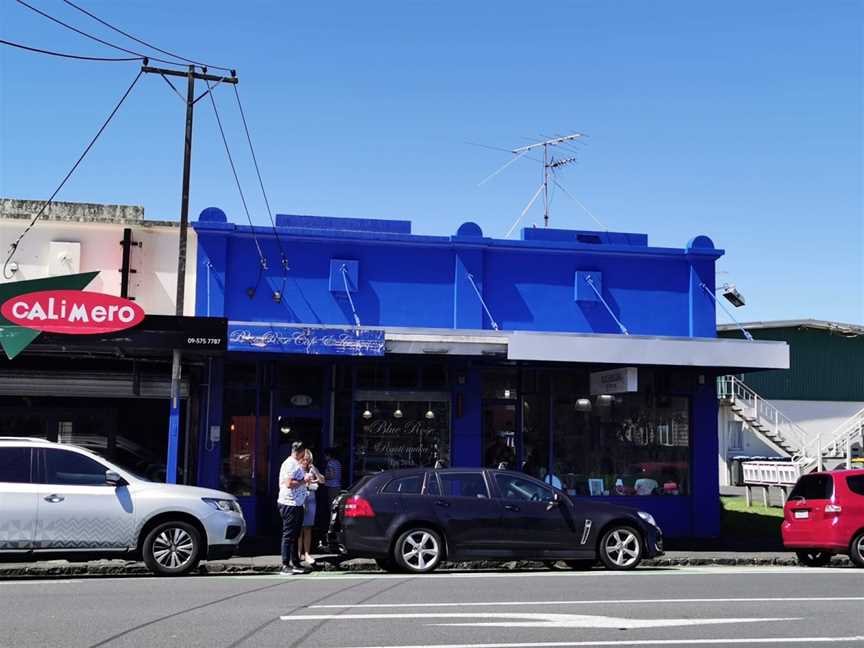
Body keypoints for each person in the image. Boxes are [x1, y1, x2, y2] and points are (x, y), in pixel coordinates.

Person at [277, 440, 312, 575]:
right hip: (289, 503)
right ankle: (285, 564)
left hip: (297, 503)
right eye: (303, 453)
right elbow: (289, 483)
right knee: (288, 535)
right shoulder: (290, 463)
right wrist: (305, 481)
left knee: (295, 535)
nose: (304, 456)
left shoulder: (295, 463)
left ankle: (295, 562)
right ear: (300, 452)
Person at [299, 449, 325, 566]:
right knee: (299, 529)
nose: (305, 462)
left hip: (311, 500)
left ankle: (307, 553)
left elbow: (322, 480)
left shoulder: (311, 469)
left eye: (308, 460)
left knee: (308, 528)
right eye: (304, 459)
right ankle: (299, 553)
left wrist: (315, 471)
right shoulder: (297, 469)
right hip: (300, 500)